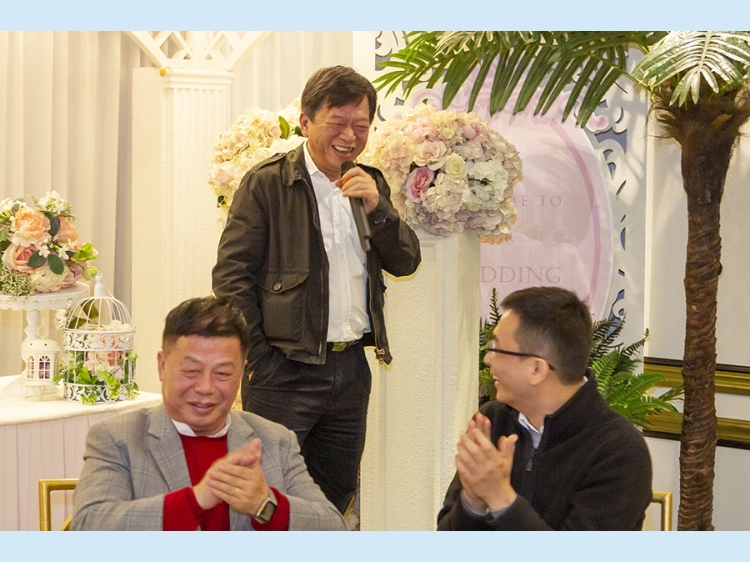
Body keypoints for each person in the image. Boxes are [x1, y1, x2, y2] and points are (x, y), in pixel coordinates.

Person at [212, 65, 421, 513]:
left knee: (333, 497)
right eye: (338, 122)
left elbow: (406, 261)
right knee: (264, 497)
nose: (350, 136)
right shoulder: (268, 183)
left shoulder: (369, 182)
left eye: (361, 125)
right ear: (306, 122)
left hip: (350, 371)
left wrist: (379, 208)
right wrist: (259, 358)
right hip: (283, 371)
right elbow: (231, 277)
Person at [72, 297, 344, 531]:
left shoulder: (274, 440)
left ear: (242, 371)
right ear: (162, 366)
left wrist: (266, 505)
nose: (206, 388)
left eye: (223, 373)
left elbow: (333, 528)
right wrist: (196, 500)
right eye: (191, 371)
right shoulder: (118, 437)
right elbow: (89, 525)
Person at [438, 287, 653, 531]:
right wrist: (473, 502)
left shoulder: (619, 452)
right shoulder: (493, 420)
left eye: (496, 348)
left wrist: (500, 499)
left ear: (537, 369)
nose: (488, 359)